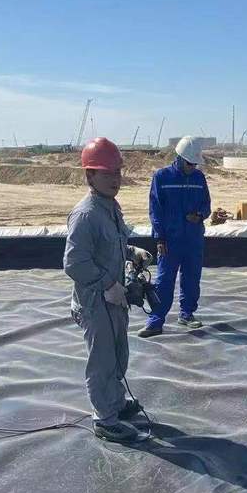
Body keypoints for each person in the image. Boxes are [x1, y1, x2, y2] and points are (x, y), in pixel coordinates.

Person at [64, 137, 152, 443]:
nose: (115, 179)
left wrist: (133, 252)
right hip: (95, 302)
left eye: (117, 173)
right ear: (90, 176)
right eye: (107, 174)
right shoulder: (86, 215)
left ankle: (114, 403)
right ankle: (104, 419)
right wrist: (108, 284)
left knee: (117, 355)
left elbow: (114, 243)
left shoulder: (111, 207)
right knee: (101, 361)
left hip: (113, 299)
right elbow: (74, 262)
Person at [139, 136, 211, 338]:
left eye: (195, 164)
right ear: (179, 158)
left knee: (192, 278)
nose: (192, 167)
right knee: (164, 281)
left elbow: (207, 205)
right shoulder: (162, 177)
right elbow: (155, 210)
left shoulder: (199, 178)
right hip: (170, 241)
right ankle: (156, 321)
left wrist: (199, 216)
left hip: (193, 240)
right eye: (189, 163)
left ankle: (187, 314)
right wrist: (160, 238)